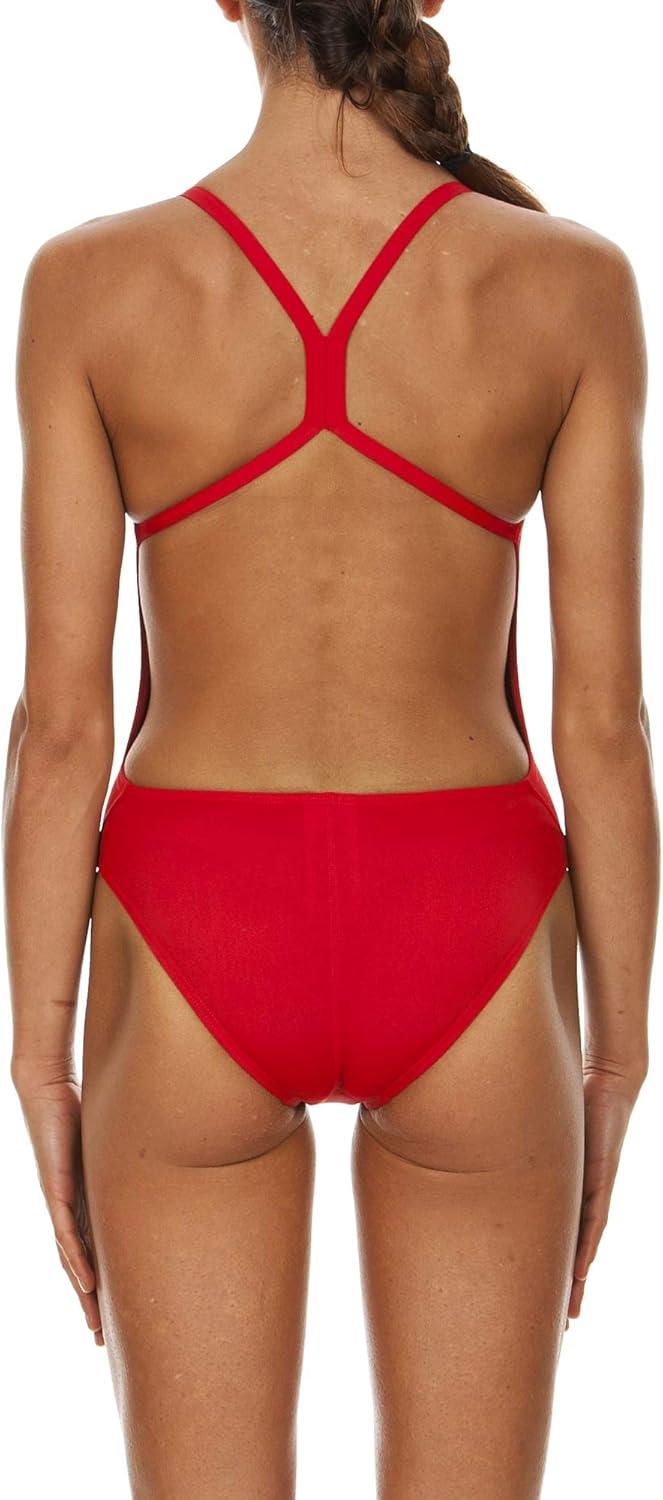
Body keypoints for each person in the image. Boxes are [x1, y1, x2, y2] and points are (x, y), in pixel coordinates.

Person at [4, 1, 657, 1495]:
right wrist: (616, 1059)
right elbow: (607, 729)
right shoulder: (571, 284)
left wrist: (42, 1063)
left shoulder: (91, 285)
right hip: (474, 923)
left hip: (193, 923)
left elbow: (60, 732)